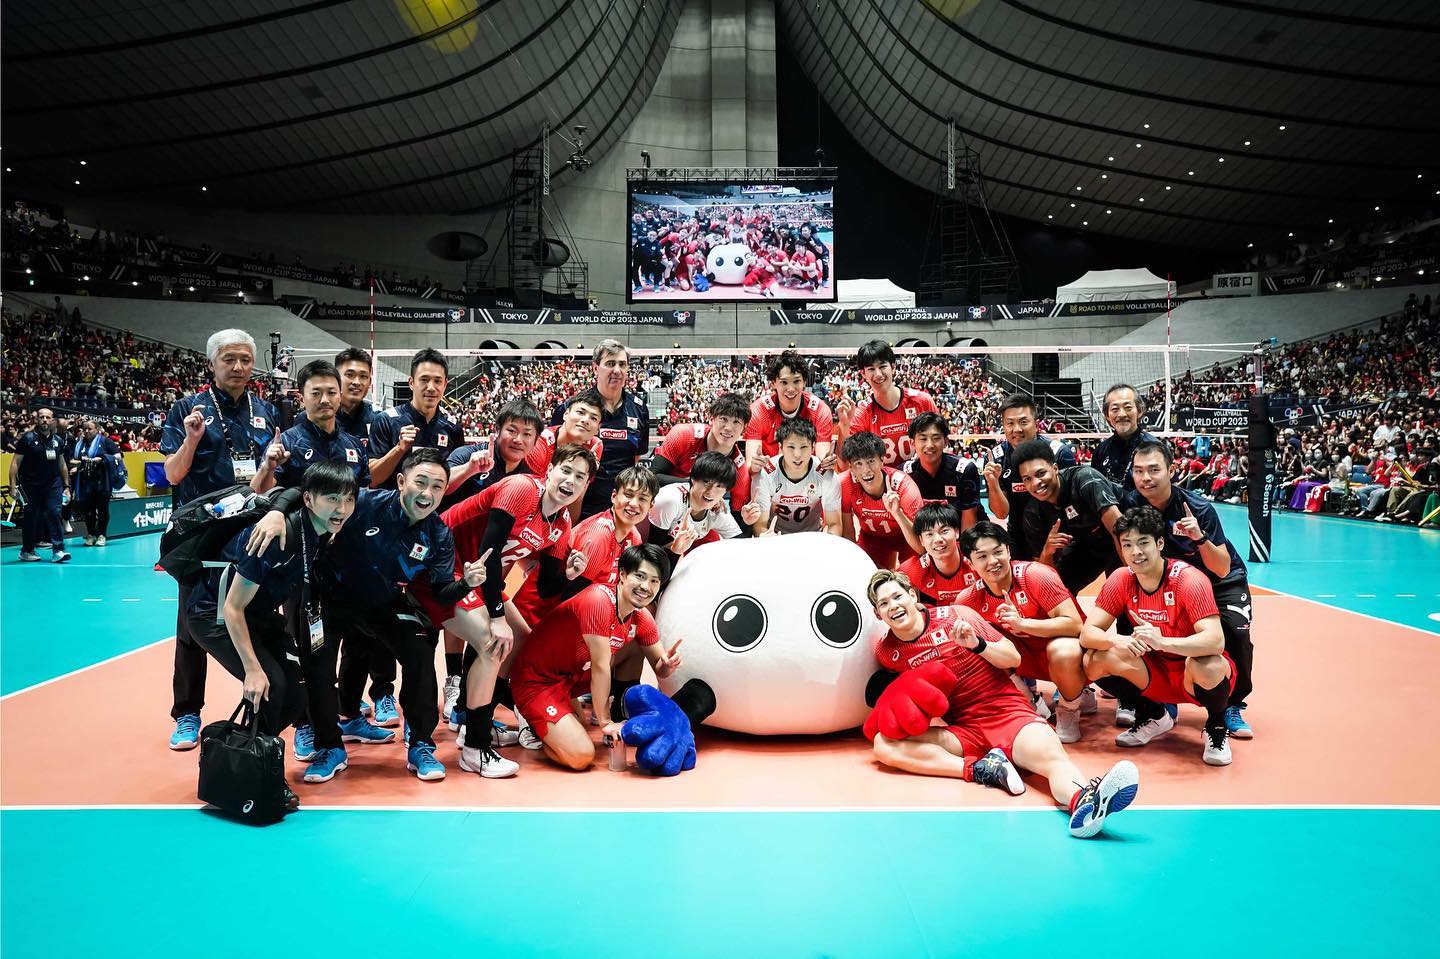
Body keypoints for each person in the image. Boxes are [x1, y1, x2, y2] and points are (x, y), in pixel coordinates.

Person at [246, 449, 489, 783]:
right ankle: (329, 746)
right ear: (402, 482)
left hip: (383, 602)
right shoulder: (364, 502)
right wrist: (275, 512)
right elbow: (302, 490)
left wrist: (466, 584)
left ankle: (420, 743)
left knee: (419, 652)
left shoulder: (438, 534)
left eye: (437, 486)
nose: (427, 493)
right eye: (421, 482)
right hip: (328, 597)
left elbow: (443, 591)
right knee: (317, 666)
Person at [865, 569, 1138, 839]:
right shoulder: (888, 652)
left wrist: (977, 644)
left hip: (1008, 714)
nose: (893, 606)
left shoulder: (957, 616)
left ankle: (1085, 802)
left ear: (913, 596)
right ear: (879, 614)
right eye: (884, 604)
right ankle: (982, 769)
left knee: (1053, 762)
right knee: (884, 744)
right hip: (964, 730)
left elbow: (1013, 658)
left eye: (897, 597)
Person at [412, 445, 597, 778]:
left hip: (477, 576)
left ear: (586, 486)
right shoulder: (522, 488)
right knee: (491, 642)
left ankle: (472, 723)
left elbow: (547, 588)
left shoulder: (562, 523)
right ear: (550, 469)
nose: (570, 481)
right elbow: (490, 553)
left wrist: (570, 574)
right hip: (440, 567)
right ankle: (475, 748)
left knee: (525, 645)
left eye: (580, 477)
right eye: (566, 470)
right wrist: (497, 617)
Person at [184, 461, 360, 810]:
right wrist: (252, 669)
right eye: (332, 500)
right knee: (271, 685)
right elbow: (232, 608)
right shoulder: (277, 537)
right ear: (309, 500)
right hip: (215, 615)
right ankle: (254, 770)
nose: (342, 509)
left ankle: (250, 752)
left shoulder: (321, 531)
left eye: (348, 500)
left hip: (257, 615)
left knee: (296, 696)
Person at [160, 329, 280, 750]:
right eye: (229, 359)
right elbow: (173, 474)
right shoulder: (186, 409)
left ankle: (267, 700)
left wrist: (268, 465)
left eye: (245, 359)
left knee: (255, 614)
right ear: (212, 363)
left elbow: (267, 482)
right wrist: (192, 439)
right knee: (190, 627)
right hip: (199, 535)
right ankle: (187, 713)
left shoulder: (264, 410)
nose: (238, 367)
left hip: (248, 529)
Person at [1080, 507, 1236, 766]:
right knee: (1094, 660)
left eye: (1143, 543)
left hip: (1191, 670)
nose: (1135, 552)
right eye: (1127, 544)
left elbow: (1215, 641)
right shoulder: (1121, 579)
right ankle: (1153, 715)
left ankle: (1216, 727)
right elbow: (1088, 634)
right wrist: (1119, 640)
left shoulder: (1188, 580)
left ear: (1160, 543)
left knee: (1207, 664)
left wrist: (1162, 641)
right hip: (1155, 670)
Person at [508, 545, 683, 771]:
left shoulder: (641, 617)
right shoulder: (599, 601)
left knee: (633, 647)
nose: (645, 587)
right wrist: (605, 722)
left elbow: (660, 668)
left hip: (570, 679)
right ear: (622, 575)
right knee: (581, 756)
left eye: (654, 581)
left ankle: (566, 718)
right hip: (537, 682)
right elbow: (601, 667)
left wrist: (668, 664)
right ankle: (534, 722)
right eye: (640, 576)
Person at [1125, 439, 1257, 739]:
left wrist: (1198, 537)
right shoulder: (1131, 503)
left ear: (1170, 470)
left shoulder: (1197, 507)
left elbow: (1222, 566)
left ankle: (1232, 705)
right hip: (1174, 582)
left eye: (1154, 470)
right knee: (1139, 626)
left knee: (1235, 633)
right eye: (1139, 471)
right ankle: (1159, 700)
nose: (1146, 477)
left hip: (1220, 580)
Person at [955, 522, 1092, 742]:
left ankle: (1069, 708)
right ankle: (1028, 700)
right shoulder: (968, 600)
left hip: (1070, 655)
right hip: (1026, 659)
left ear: (1008, 551)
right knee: (976, 644)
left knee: (1063, 650)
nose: (992, 562)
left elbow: (1075, 625)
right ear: (970, 564)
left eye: (998, 552)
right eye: (981, 557)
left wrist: (1023, 624)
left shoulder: (1036, 575)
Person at [512, 466, 659, 628]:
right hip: (536, 619)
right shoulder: (598, 536)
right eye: (628, 495)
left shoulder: (633, 536)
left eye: (643, 499)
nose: (634, 504)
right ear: (614, 496)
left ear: (651, 505)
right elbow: (571, 602)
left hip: (571, 615)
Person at [548, 340, 649, 520]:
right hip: (574, 502)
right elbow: (552, 455)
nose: (617, 370)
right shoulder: (572, 408)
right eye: (610, 364)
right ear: (595, 368)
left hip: (619, 507)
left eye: (622, 365)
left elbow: (636, 457)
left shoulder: (639, 409)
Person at [1013, 438, 1123, 593]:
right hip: (1087, 545)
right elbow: (1044, 576)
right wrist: (1047, 550)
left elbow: (1120, 531)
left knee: (1125, 591)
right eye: (1027, 479)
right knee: (1055, 590)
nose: (1035, 483)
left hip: (1122, 538)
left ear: (1055, 468)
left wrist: (1133, 578)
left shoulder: (1085, 480)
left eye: (1041, 473)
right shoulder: (1033, 513)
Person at [250, 360, 369, 493]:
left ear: (340, 396)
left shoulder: (355, 446)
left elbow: (363, 496)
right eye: (315, 393)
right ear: (301, 399)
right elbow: (256, 494)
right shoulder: (286, 444)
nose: (325, 400)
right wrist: (267, 468)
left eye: (331, 393)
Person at [981, 394, 1076, 560]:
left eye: (1023, 422)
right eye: (1010, 423)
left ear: (1036, 423)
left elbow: (1073, 504)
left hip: (1058, 534)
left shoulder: (1060, 453)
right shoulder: (995, 459)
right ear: (1003, 425)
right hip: (1019, 537)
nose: (1017, 429)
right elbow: (1001, 514)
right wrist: (993, 483)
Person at [649, 392, 753, 528]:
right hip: (664, 512)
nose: (728, 427)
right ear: (712, 418)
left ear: (744, 428)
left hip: (701, 522)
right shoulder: (683, 436)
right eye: (723, 419)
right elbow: (652, 477)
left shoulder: (739, 468)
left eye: (736, 422)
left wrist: (749, 519)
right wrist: (697, 487)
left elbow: (738, 513)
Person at [368, 348, 465, 489]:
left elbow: (456, 479)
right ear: (411, 382)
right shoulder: (386, 420)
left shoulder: (453, 428)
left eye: (437, 381)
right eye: (424, 380)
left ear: (445, 385)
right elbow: (371, 479)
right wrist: (398, 450)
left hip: (437, 509)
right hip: (392, 508)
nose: (431, 387)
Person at [835, 340, 939, 467]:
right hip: (881, 483)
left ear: (893, 366)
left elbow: (941, 446)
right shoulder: (861, 413)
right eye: (871, 369)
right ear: (863, 373)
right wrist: (844, 426)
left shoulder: (922, 401)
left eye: (883, 366)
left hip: (921, 479)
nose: (878, 374)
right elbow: (843, 466)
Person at [838, 431, 925, 568]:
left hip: (906, 538)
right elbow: (848, 533)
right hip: (871, 539)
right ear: (851, 467)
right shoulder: (845, 484)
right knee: (864, 576)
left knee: (909, 580)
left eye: (871, 461)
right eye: (858, 464)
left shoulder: (904, 487)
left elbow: (921, 547)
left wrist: (897, 513)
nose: (866, 470)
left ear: (882, 460)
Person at [441, 398, 543, 510]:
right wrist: (468, 469)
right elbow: (438, 486)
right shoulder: (467, 455)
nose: (518, 440)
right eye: (512, 431)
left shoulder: (530, 475)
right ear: (497, 430)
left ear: (536, 440)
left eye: (527, 434)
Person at [648, 451, 754, 557]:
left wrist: (749, 525)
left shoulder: (717, 510)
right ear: (693, 479)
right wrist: (676, 551)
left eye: (719, 486)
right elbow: (652, 551)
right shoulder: (670, 500)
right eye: (707, 482)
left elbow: (741, 546)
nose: (710, 492)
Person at [749, 417, 842, 536]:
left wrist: (827, 541)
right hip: (775, 538)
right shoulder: (765, 474)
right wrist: (766, 538)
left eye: (803, 447)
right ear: (780, 447)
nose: (797, 455)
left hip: (813, 538)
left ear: (813, 447)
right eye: (791, 447)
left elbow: (834, 524)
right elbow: (760, 525)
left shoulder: (826, 475)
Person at [744, 350, 834, 470]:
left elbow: (822, 457)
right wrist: (754, 465)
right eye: (784, 382)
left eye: (796, 381)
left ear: (804, 382)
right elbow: (751, 463)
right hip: (769, 477)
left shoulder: (820, 411)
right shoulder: (758, 411)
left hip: (807, 478)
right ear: (773, 383)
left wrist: (826, 462)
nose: (791, 389)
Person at [902, 412, 982, 529]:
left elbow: (969, 526)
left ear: (945, 441)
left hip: (963, 538)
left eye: (936, 438)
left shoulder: (964, 469)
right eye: (923, 439)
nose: (929, 445)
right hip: (926, 540)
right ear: (912, 443)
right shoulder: (905, 473)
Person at [11, 407, 71, 563]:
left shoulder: (57, 440)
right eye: (41, 417)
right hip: (30, 485)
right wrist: (12, 486)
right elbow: (15, 463)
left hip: (53, 485)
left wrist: (66, 486)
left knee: (54, 513)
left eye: (48, 417)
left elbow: (62, 464)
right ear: (37, 420)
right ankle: (27, 550)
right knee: (31, 518)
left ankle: (58, 550)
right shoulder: (28, 439)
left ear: (53, 420)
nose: (44, 420)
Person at [897, 504, 976, 605]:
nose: (937, 539)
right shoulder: (914, 570)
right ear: (921, 540)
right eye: (929, 534)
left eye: (944, 531)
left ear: (957, 532)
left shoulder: (976, 558)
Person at [1091, 384, 1160, 490]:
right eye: (1115, 409)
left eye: (1128, 408)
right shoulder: (1100, 451)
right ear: (1106, 415)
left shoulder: (1156, 449)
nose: (1122, 414)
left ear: (1140, 411)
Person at [528, 389, 605, 476]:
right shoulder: (540, 441)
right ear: (565, 414)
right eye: (580, 412)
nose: (586, 420)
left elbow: (583, 486)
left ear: (598, 429)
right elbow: (535, 485)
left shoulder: (595, 446)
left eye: (593, 418)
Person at [69, 418, 119, 547]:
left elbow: (118, 456)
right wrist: (79, 464)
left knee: (102, 509)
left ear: (97, 430)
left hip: (103, 482)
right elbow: (71, 460)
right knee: (88, 510)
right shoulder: (79, 444)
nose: (86, 431)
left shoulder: (105, 441)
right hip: (84, 482)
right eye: (84, 429)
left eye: (89, 429)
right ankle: (90, 534)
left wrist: (101, 459)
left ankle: (102, 535)